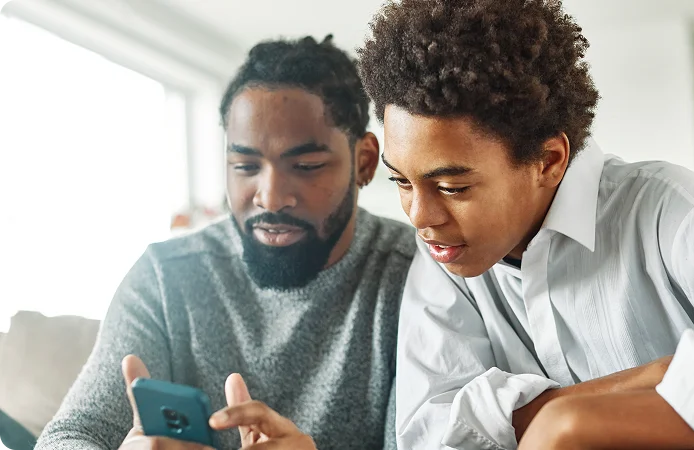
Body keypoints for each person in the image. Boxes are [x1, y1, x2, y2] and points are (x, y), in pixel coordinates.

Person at [357, 0, 694, 449]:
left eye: (452, 187)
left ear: (548, 161)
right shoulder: (442, 257)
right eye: (400, 181)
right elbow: (428, 437)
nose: (419, 216)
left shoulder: (669, 208)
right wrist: (627, 389)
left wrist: (554, 424)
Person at [35, 35, 415, 450]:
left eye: (306, 166)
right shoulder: (166, 277)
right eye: (245, 165)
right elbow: (70, 435)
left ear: (363, 161)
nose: (269, 197)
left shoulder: (415, 277)